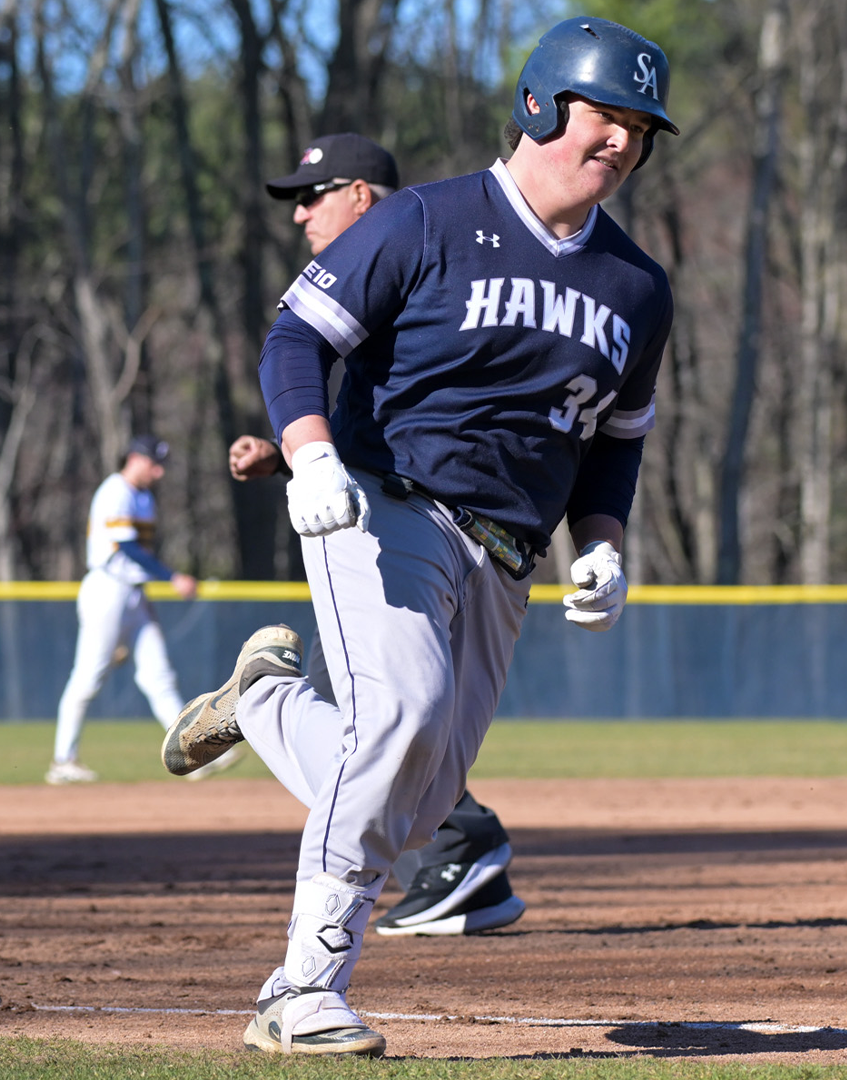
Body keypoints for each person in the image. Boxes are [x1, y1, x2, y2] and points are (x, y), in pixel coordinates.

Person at [163, 17, 676, 1055]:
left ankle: (263, 702)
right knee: (402, 718)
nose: (620, 140)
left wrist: (606, 542)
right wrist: (308, 455)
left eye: (638, 126)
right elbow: (296, 336)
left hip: (508, 552)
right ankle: (300, 993)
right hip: (381, 502)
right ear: (540, 107)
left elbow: (614, 441)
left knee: (421, 790)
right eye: (603, 114)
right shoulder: (428, 222)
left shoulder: (636, 288)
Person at [234, 131, 528, 939]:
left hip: (456, 529)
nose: (300, 215)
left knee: (402, 731)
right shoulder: (394, 255)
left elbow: (443, 407)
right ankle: (454, 856)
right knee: (398, 715)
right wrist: (295, 452)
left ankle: (455, 844)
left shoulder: (423, 241)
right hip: (379, 524)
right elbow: (374, 398)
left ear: (361, 194)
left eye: (311, 194)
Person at [48, 436, 202, 785]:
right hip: (107, 589)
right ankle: (63, 760)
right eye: (154, 463)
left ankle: (190, 753)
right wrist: (172, 577)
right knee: (87, 677)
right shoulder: (115, 490)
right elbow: (128, 548)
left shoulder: (143, 497)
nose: (159, 471)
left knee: (159, 675)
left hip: (133, 593)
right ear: (135, 458)